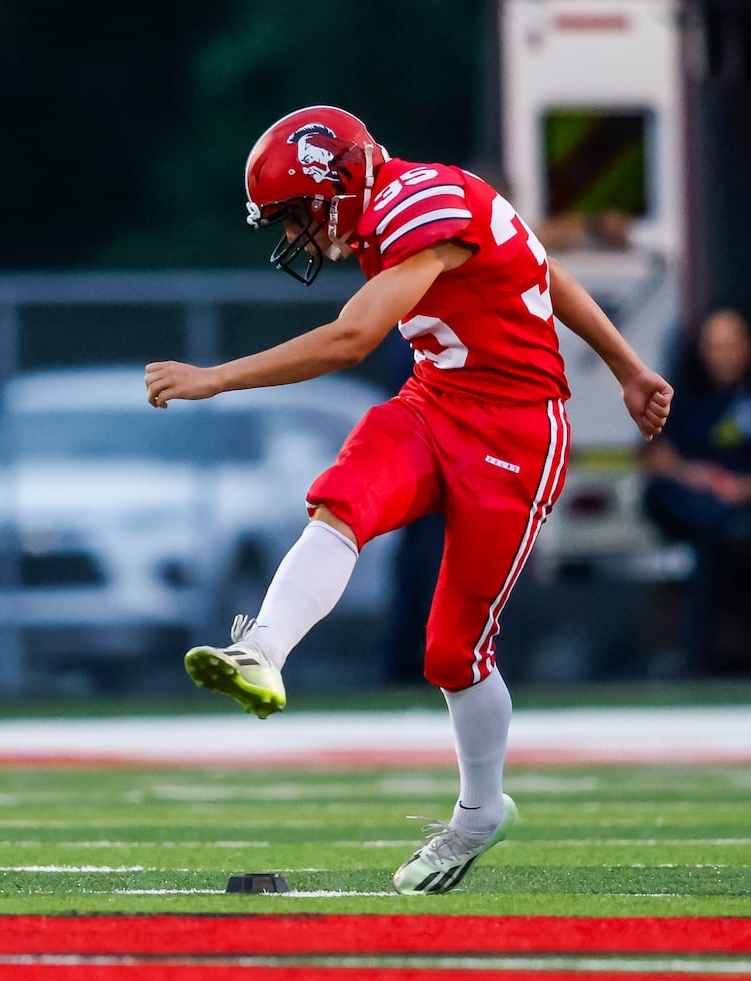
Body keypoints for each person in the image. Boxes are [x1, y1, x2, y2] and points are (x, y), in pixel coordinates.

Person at [144, 106, 672, 895]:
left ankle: (480, 812)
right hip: (437, 400)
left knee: (452, 653)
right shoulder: (396, 207)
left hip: (519, 431)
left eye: (295, 212)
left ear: (336, 181)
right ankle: (264, 649)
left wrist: (214, 378)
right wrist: (628, 366)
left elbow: (352, 339)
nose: (294, 233)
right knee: (344, 497)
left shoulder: (420, 203)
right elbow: (542, 268)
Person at [640, 307, 751, 674]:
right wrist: (696, 476)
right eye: (716, 346)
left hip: (741, 504)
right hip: (693, 503)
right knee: (708, 522)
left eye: (732, 346)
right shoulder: (679, 392)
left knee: (723, 532)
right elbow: (654, 456)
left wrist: (740, 487)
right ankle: (699, 659)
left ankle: (704, 659)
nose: (725, 356)